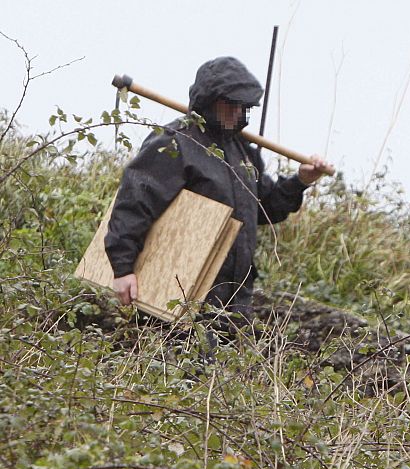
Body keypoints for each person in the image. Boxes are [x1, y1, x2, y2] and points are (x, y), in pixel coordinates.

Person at [105, 56, 334, 319]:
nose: (239, 114)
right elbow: (134, 203)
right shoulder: (174, 143)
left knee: (227, 361)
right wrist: (122, 270)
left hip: (235, 296)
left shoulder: (242, 152)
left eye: (243, 107)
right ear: (212, 101)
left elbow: (265, 208)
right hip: (175, 291)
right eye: (233, 106)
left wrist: (301, 181)